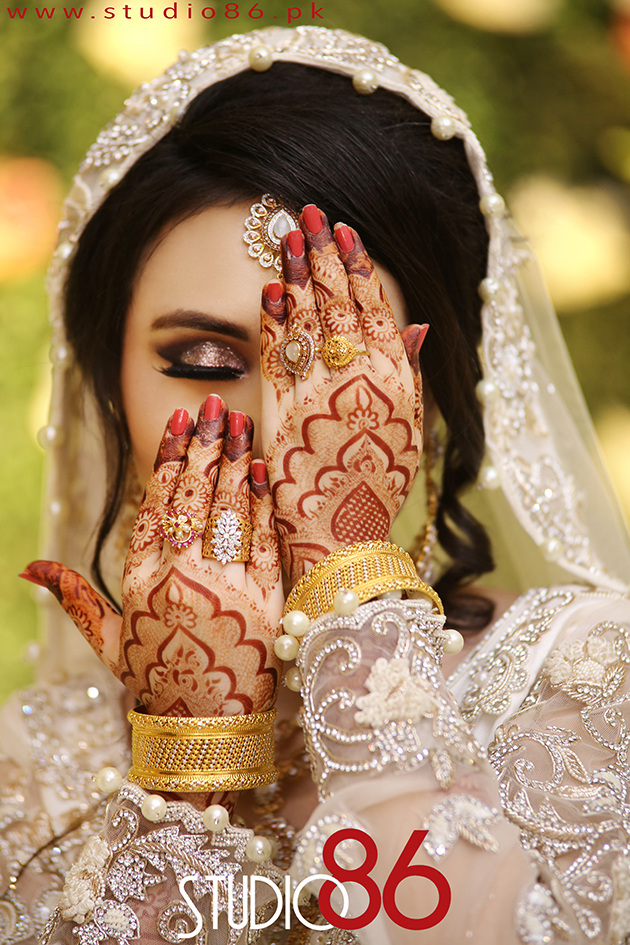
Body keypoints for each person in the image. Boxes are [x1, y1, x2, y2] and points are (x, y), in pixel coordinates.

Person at [2, 25, 630, 945]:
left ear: (430, 392)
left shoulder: (587, 685)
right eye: (205, 361)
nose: (276, 429)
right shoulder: (35, 761)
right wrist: (186, 772)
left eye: (336, 370)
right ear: (108, 386)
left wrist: (352, 583)